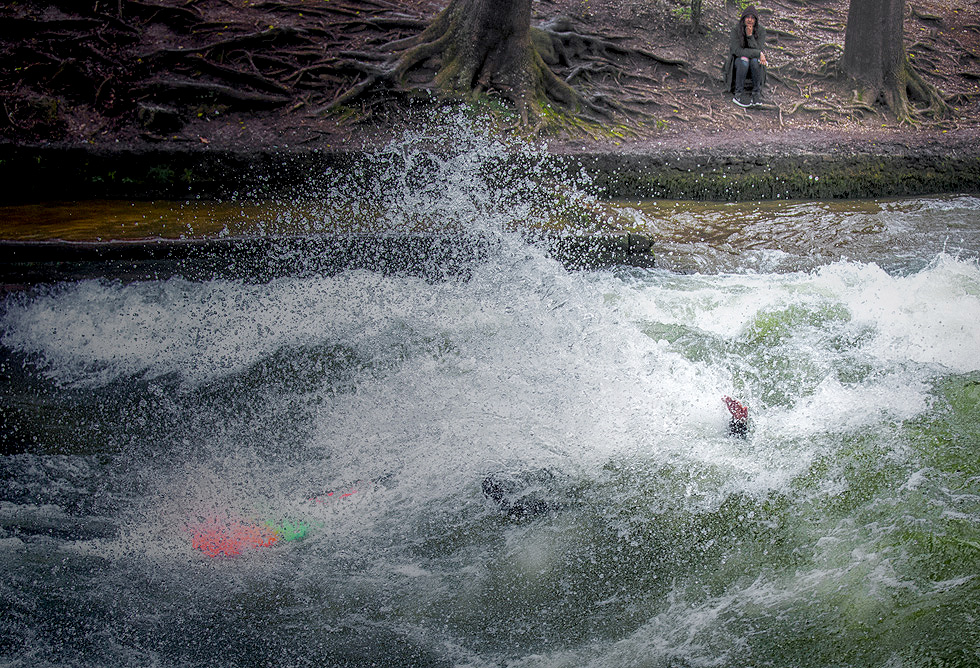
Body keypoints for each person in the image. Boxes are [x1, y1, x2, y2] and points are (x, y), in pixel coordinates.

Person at [724, 5, 768, 108]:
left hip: (753, 63)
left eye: (752, 18)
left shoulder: (761, 30)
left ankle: (756, 94)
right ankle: (738, 94)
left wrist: (750, 36)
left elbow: (759, 48)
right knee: (744, 60)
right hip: (738, 63)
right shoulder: (736, 29)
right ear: (743, 18)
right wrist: (757, 53)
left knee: (754, 61)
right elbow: (737, 51)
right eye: (747, 17)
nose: (750, 20)